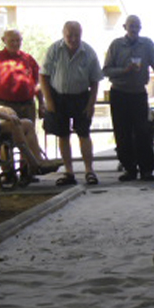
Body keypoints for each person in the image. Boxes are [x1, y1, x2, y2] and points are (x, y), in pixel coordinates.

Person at [103, 15, 154, 182]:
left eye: (137, 26)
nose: (134, 29)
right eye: (131, 26)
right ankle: (129, 169)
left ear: (140, 28)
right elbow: (105, 70)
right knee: (122, 133)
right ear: (125, 27)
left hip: (139, 94)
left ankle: (146, 169)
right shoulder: (116, 45)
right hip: (119, 93)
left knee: (143, 132)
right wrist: (124, 71)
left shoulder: (147, 45)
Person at [0, 59, 61, 178]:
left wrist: (5, 109)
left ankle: (37, 160)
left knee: (27, 124)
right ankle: (31, 163)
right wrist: (5, 115)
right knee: (16, 124)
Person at [40, 21, 104, 186]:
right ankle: (69, 172)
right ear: (63, 33)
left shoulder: (88, 52)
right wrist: (49, 101)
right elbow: (43, 76)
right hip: (58, 98)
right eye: (70, 35)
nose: (73, 39)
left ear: (81, 34)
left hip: (81, 97)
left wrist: (91, 104)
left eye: (77, 35)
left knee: (84, 134)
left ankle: (89, 171)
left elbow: (96, 80)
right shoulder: (54, 50)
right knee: (63, 135)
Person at [0, 29, 44, 122]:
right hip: (5, 107)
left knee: (28, 133)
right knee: (6, 135)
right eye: (12, 40)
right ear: (4, 40)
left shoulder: (28, 59)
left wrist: (41, 103)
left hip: (27, 106)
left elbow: (38, 84)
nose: (15, 43)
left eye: (18, 40)